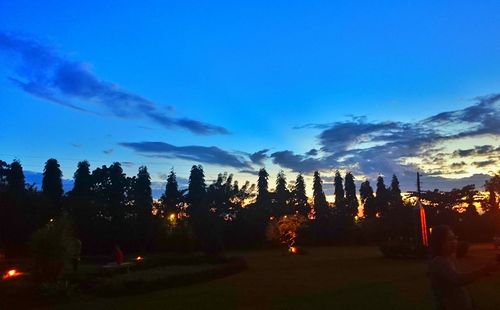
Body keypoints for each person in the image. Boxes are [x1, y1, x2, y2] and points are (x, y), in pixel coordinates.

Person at [428, 225, 497, 310]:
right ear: (438, 242)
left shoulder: (448, 260)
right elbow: (458, 279)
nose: (454, 242)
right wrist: (485, 270)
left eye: (454, 238)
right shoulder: (438, 262)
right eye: (449, 239)